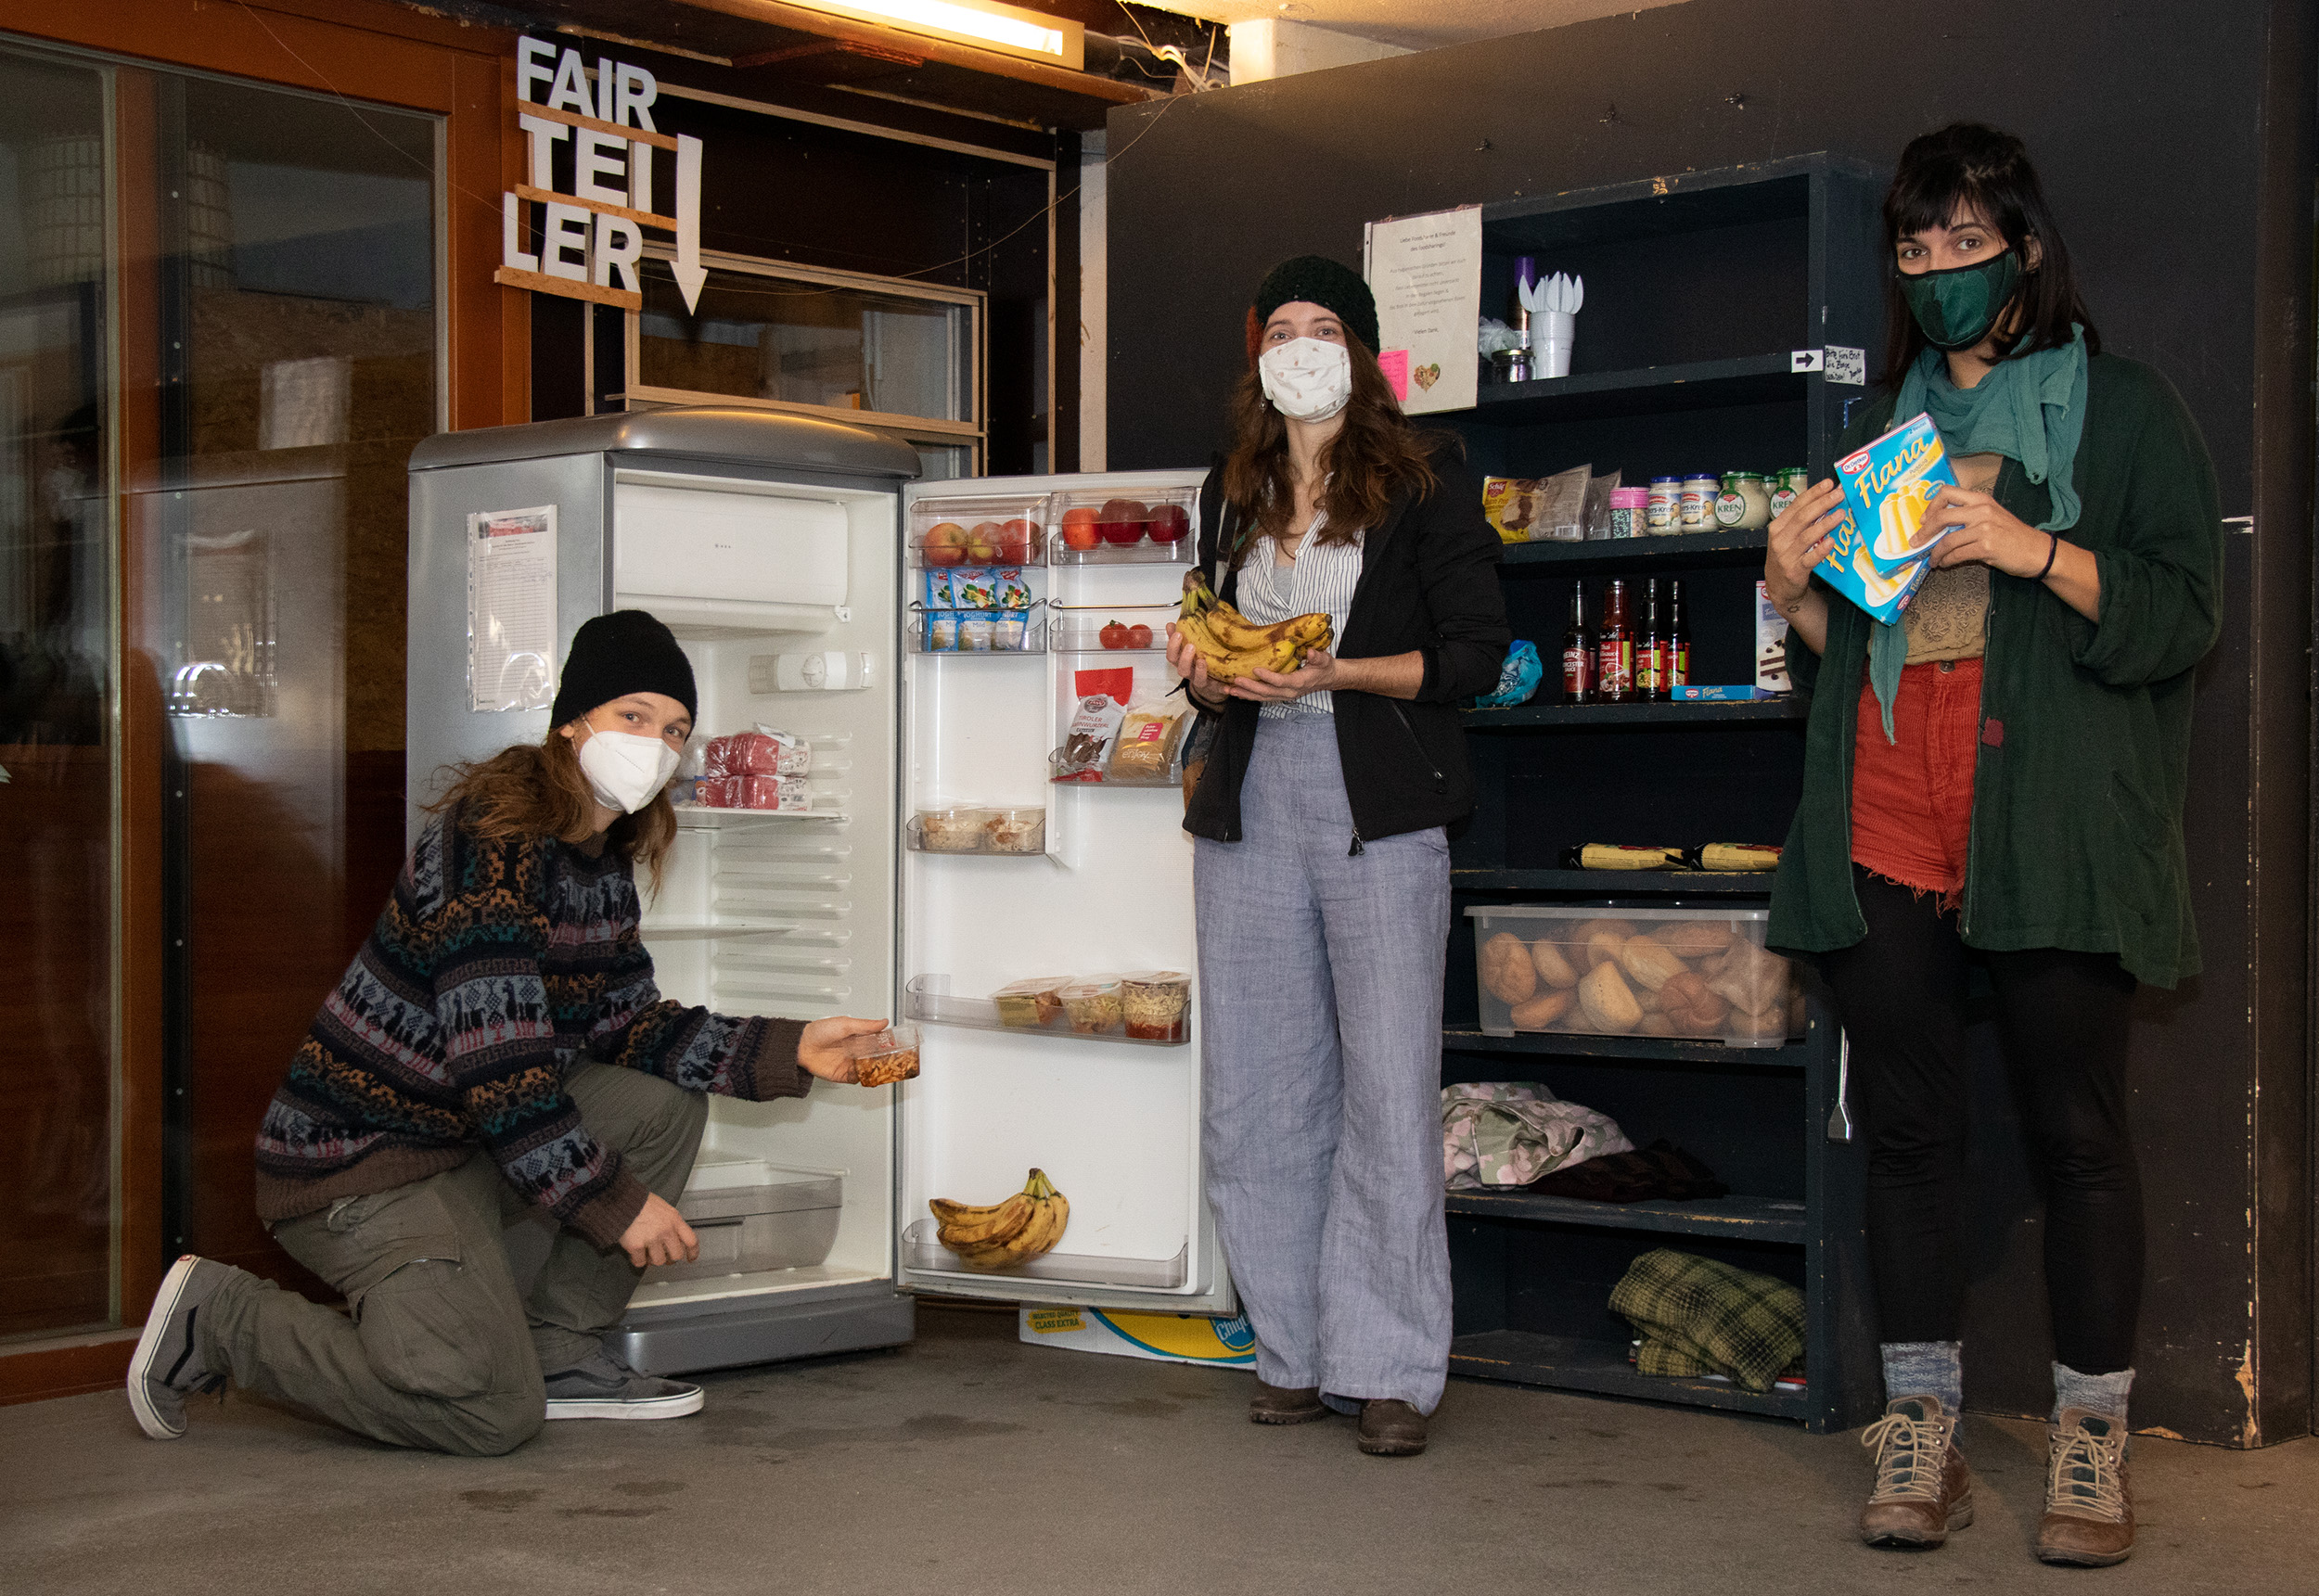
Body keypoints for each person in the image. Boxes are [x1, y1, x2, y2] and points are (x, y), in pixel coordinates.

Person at [1763, 124, 2222, 1567]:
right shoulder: (1886, 436)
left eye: (1968, 241)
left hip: (2052, 820)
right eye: (1917, 247)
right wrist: (1793, 585)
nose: (1942, 270)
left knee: (2080, 1134)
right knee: (1909, 1132)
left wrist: (2026, 547)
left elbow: (2182, 612)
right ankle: (1922, 1431)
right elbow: (1856, 653)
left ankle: (2092, 1439)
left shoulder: (2125, 412)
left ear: (2027, 246)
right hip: (1892, 807)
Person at [126, 609, 891, 1455]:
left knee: (664, 1099)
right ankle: (223, 1319)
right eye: (632, 716)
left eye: (675, 729)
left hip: (457, 1144)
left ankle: (560, 1354)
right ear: (573, 723)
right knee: (487, 1412)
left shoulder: (598, 861)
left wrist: (791, 1048)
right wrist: (616, 1203)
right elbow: (501, 1071)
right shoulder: (490, 841)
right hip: (361, 1162)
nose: (656, 744)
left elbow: (627, 1023)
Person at [1170, 256, 1508, 1458]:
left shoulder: (1426, 478)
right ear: (1258, 353)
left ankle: (1391, 1367)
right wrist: (1206, 667)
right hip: (1252, 799)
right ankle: (1294, 1350)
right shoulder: (1233, 487)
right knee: (1258, 1089)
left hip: (1381, 802)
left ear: (1362, 353)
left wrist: (1339, 673)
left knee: (1385, 1091)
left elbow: (1477, 655)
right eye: (1284, 329)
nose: (1302, 346)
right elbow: (1209, 640)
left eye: (1326, 328)